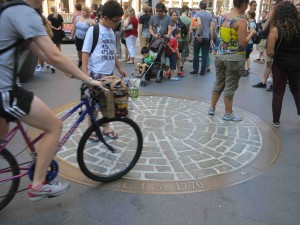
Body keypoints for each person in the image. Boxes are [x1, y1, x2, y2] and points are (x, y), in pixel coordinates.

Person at [0, 0, 105, 201]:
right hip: (5, 90)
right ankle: (38, 185)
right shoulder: (24, 12)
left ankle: (40, 158)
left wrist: (71, 72)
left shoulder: (11, 10)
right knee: (54, 125)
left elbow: (44, 53)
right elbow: (54, 55)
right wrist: (87, 79)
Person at [81, 0, 126, 140]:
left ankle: (106, 127)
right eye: (115, 21)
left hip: (108, 75)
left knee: (107, 104)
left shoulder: (112, 32)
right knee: (94, 105)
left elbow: (112, 53)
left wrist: (119, 67)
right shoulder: (93, 30)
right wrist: (85, 73)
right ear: (105, 17)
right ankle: (92, 130)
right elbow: (85, 52)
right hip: (95, 74)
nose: (117, 24)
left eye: (119, 21)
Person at [208, 0, 256, 121]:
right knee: (230, 86)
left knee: (219, 82)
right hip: (234, 58)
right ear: (244, 5)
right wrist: (252, 34)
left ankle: (212, 108)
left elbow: (225, 35)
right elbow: (243, 42)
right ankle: (228, 113)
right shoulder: (241, 20)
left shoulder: (223, 17)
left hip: (220, 55)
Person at [266, 1, 300, 128]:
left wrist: (278, 56)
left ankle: (276, 120)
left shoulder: (276, 30)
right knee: (297, 90)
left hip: (280, 65)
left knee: (278, 93)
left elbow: (269, 52)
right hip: (297, 65)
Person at [190, 1, 212, 76]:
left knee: (196, 53)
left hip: (199, 37)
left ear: (200, 6)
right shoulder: (209, 15)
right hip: (207, 37)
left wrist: (199, 34)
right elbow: (211, 27)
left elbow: (199, 23)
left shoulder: (198, 13)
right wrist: (211, 38)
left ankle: (195, 70)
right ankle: (202, 71)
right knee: (205, 54)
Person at [242, 10, 256, 77]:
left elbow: (251, 32)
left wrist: (244, 30)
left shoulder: (252, 23)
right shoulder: (250, 22)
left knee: (245, 56)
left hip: (249, 42)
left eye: (247, 14)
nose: (246, 15)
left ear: (250, 15)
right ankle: (247, 68)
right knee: (247, 56)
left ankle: (246, 70)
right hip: (249, 42)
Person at [179, 5, 192, 73]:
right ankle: (181, 65)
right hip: (185, 39)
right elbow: (191, 31)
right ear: (187, 11)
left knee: (178, 53)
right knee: (184, 54)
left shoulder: (178, 18)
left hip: (178, 39)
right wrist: (190, 40)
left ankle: (178, 65)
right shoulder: (189, 20)